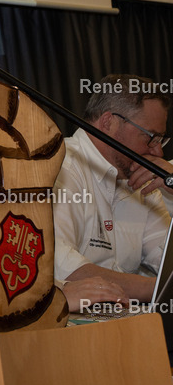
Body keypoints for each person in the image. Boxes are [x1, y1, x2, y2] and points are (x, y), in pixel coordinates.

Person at [53, 74, 172, 301]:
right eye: (151, 137)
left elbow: (167, 264)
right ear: (108, 123)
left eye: (161, 140)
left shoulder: (141, 178)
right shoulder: (60, 165)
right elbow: (60, 266)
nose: (158, 153)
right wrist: (157, 290)